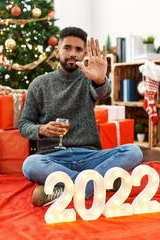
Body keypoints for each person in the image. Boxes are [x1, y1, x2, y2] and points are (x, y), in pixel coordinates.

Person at [18, 27, 143, 207]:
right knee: (30, 164)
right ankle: (99, 183)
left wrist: (101, 79)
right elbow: (24, 124)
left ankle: (66, 189)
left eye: (78, 50)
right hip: (52, 158)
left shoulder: (88, 79)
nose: (72, 54)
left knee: (133, 152)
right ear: (57, 51)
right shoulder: (39, 84)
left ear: (84, 52)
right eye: (67, 48)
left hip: (91, 156)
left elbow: (103, 92)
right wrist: (41, 129)